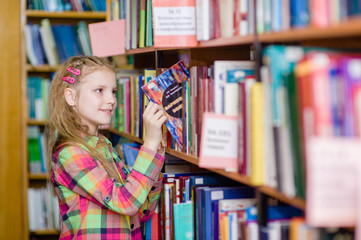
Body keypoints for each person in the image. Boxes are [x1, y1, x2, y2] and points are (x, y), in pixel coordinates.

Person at [46, 56, 167, 239]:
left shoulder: (105, 147)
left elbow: (141, 211)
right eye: (99, 90)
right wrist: (148, 145)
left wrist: (155, 153)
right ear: (71, 97)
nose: (111, 99)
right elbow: (126, 203)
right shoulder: (70, 153)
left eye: (113, 91)